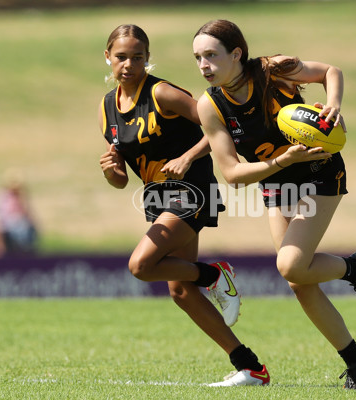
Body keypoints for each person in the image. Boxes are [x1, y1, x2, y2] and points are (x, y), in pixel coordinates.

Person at [193, 19, 356, 389]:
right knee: (297, 279)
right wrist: (283, 162)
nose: (204, 65)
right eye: (198, 58)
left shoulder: (273, 70)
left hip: (319, 171)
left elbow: (330, 71)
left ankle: (355, 268)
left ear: (236, 54)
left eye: (211, 55)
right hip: (277, 180)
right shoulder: (209, 105)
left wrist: (332, 106)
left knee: (290, 264)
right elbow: (233, 174)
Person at [98, 24, 269, 386]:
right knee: (179, 290)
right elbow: (122, 179)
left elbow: (217, 124)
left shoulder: (162, 93)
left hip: (192, 189)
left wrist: (188, 157)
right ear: (108, 58)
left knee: (141, 265)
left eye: (137, 57)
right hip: (159, 198)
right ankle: (250, 367)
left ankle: (215, 275)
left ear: (147, 58)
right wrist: (112, 171)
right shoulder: (106, 108)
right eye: (121, 57)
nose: (129, 64)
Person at [0, 170, 38, 253]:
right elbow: (0, 214)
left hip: (21, 224)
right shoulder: (3, 197)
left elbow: (28, 213)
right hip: (7, 225)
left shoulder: (21, 197)